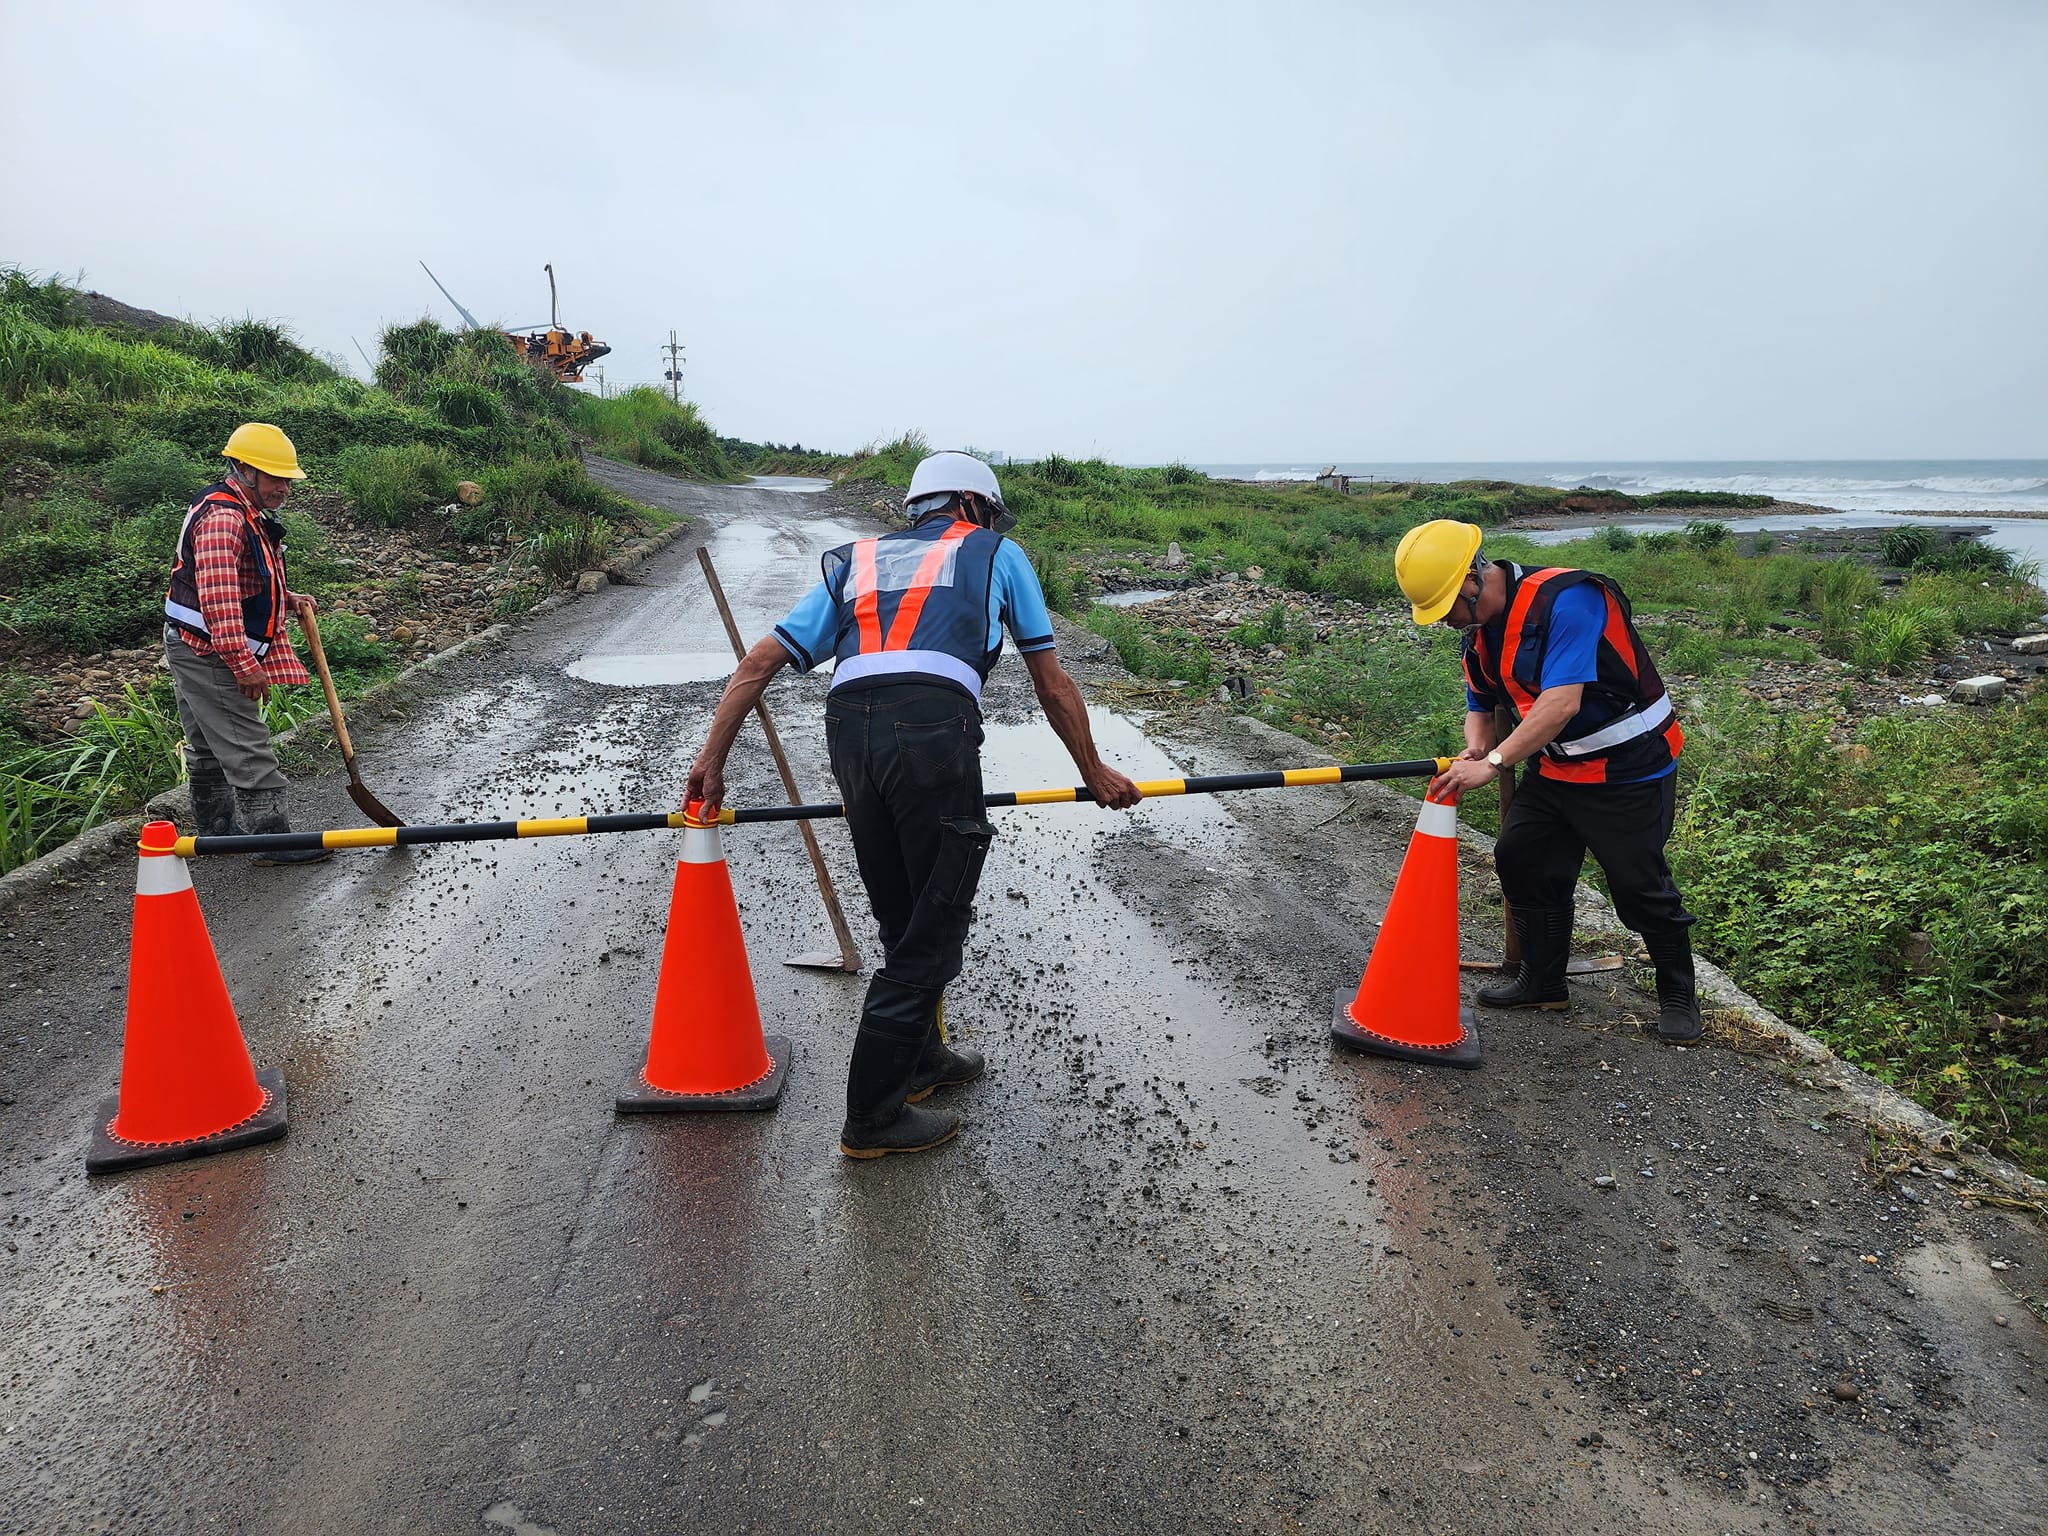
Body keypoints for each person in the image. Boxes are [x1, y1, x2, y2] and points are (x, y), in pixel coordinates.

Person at [686, 450, 1142, 1157]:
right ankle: (871, 1116)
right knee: (934, 925)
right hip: (931, 728)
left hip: (848, 732)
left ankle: (922, 1061)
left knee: (902, 911)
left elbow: (757, 664)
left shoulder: (858, 560)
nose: (992, 523)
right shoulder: (997, 551)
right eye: (989, 512)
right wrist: (1095, 769)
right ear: (970, 504)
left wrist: (709, 762)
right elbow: (1051, 684)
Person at [1396, 519, 1700, 1041]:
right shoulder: (1479, 633)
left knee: (1638, 887)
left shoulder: (1569, 600)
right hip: (1557, 766)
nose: (1446, 622)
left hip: (1628, 768)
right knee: (1522, 855)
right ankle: (1543, 981)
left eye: (1447, 608)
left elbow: (1561, 704)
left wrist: (1492, 766)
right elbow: (1482, 702)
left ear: (1473, 580)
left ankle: (1678, 994)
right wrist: (1479, 744)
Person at [164, 422, 330, 866]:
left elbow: (244, 577)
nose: (283, 488)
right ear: (243, 470)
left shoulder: (245, 509)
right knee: (244, 738)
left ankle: (218, 833)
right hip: (208, 648)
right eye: (274, 477)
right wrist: (242, 663)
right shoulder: (224, 519)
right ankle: (271, 840)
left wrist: (287, 598)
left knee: (206, 741)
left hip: (192, 640)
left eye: (286, 479)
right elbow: (219, 601)